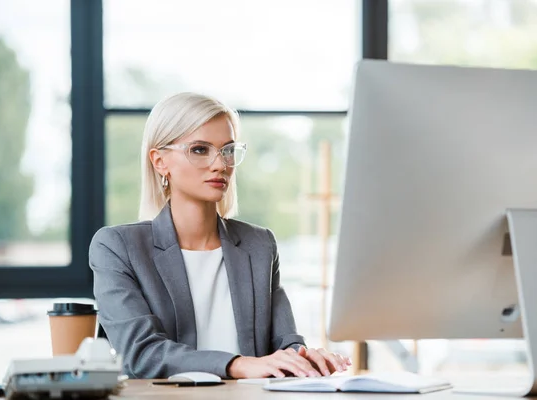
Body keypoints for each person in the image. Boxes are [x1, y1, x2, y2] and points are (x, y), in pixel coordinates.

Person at [89, 92, 351, 379]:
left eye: (227, 150)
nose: (220, 164)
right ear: (160, 161)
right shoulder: (117, 247)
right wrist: (239, 364)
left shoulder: (259, 245)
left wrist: (302, 358)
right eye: (200, 149)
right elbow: (140, 354)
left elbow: (284, 343)